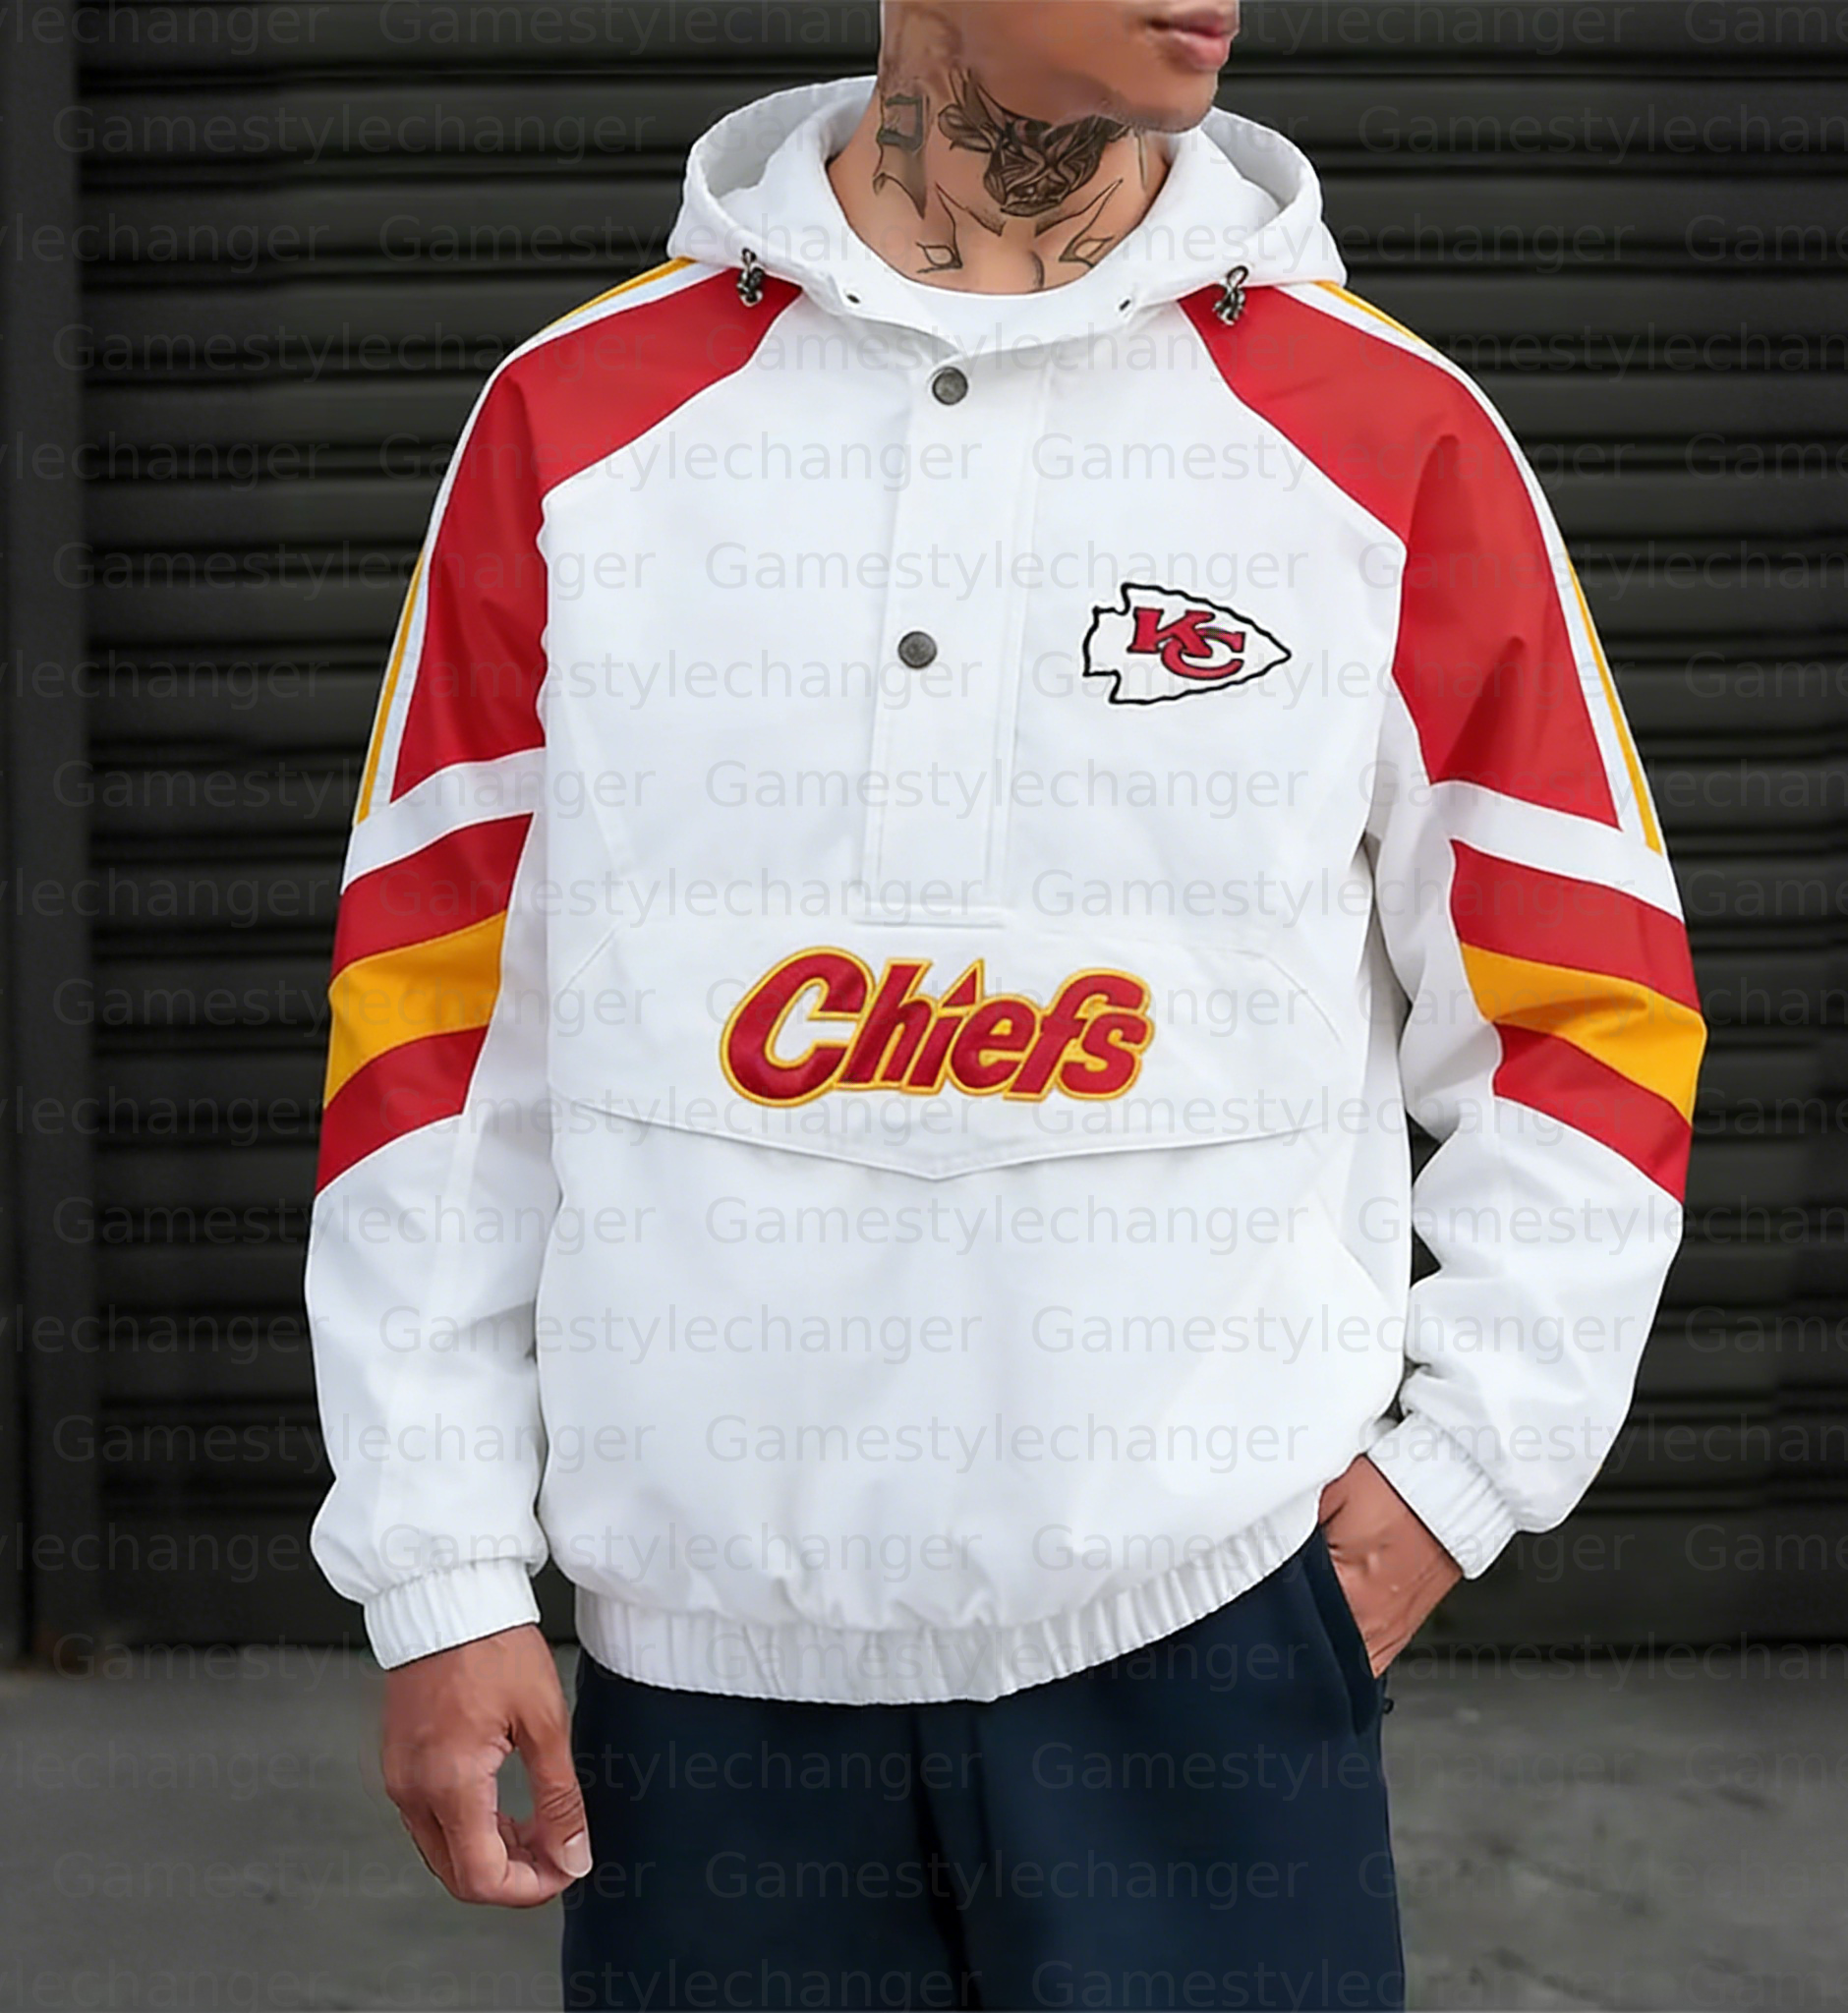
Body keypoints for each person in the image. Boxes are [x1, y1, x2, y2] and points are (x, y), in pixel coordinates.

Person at [304, 3, 1704, 2006]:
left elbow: (1594, 1007)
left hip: (1204, 1654)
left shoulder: (1390, 433)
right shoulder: (578, 423)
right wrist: (437, 1563)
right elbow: (434, 1033)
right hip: (707, 1682)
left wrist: (1458, 1480)